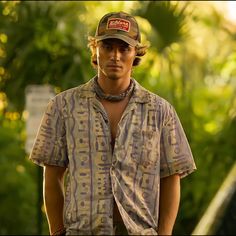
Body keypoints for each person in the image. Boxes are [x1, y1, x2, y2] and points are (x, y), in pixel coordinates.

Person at [29, 11, 196, 236]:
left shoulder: (160, 111)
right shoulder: (63, 106)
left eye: (124, 48)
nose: (115, 55)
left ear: (135, 52)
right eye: (108, 47)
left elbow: (171, 178)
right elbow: (52, 175)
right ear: (95, 50)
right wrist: (58, 231)